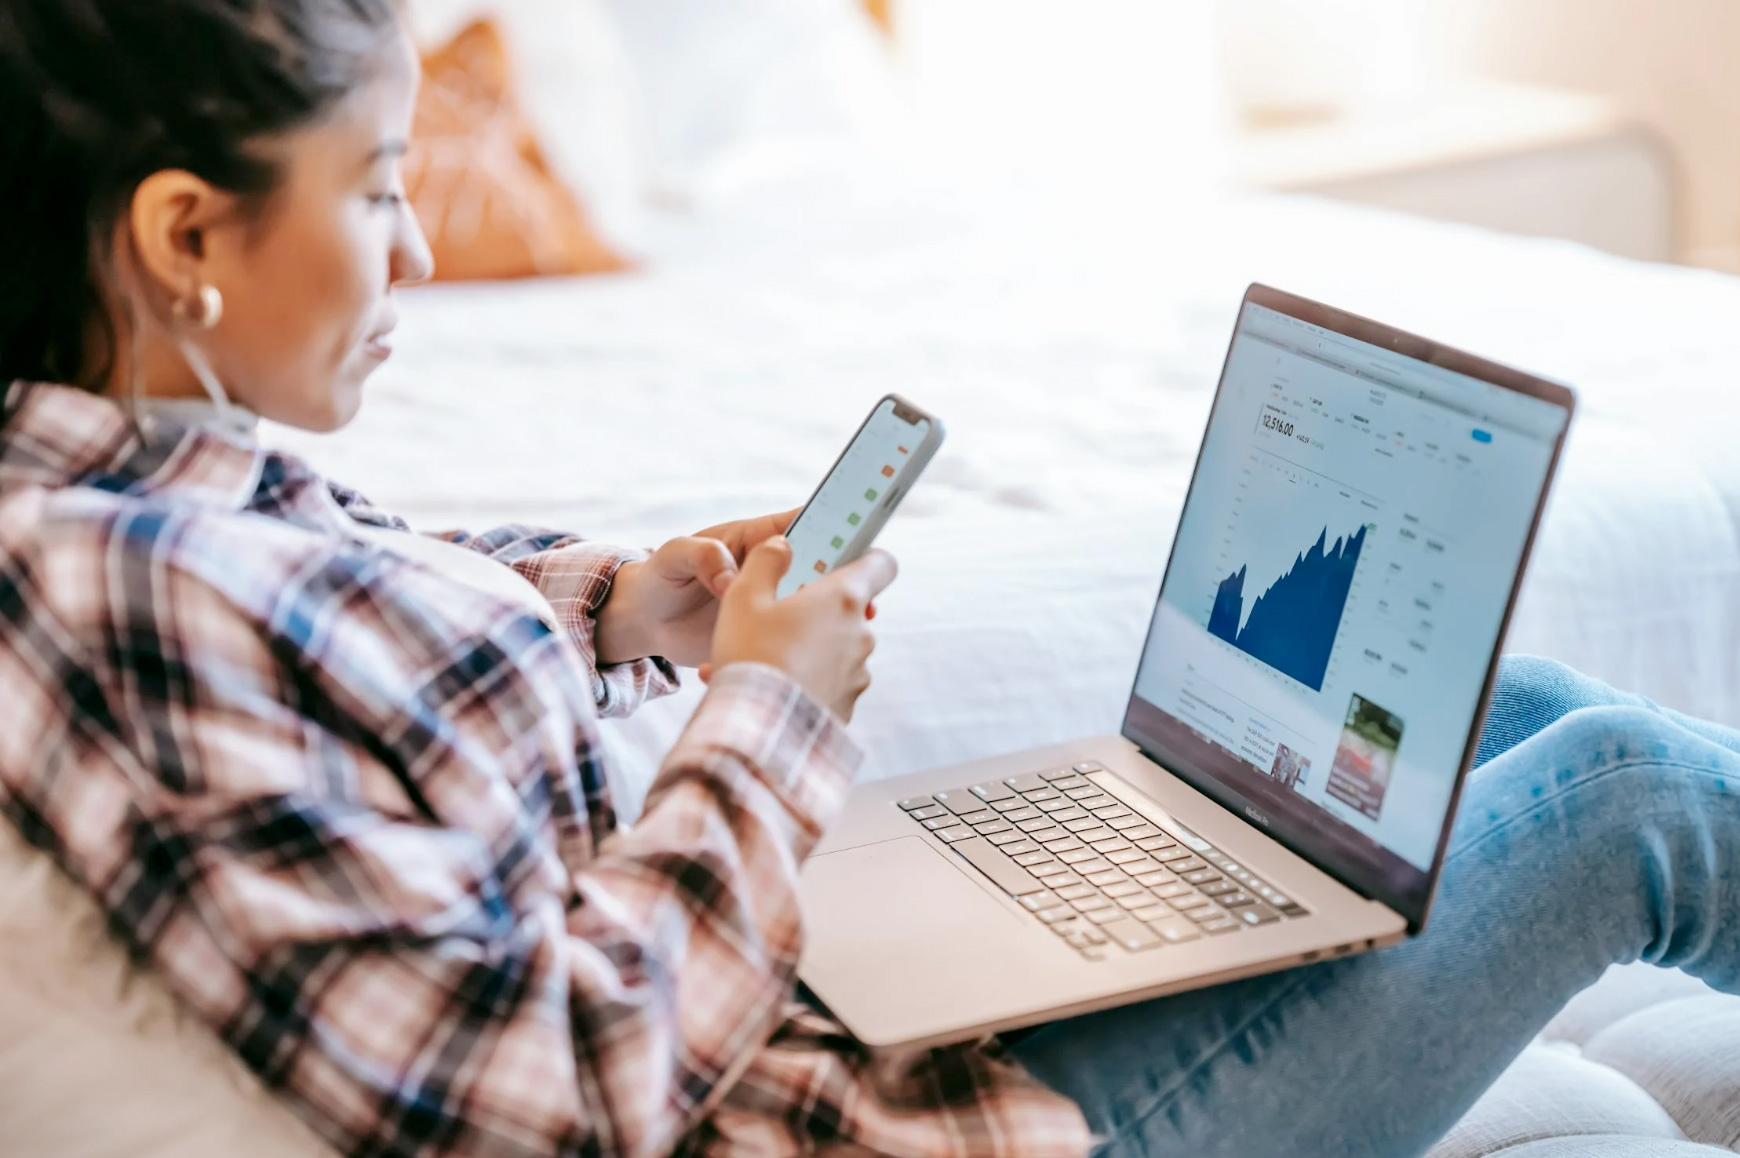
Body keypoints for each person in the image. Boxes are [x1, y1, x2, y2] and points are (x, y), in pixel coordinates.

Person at [0, 3, 1735, 1156]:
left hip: (825, 1008)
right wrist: (765, 712)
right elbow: (559, 1089)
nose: (424, 249)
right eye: (379, 192)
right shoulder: (121, 598)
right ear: (183, 237)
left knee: (1504, 712)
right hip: (874, 1122)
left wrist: (619, 602)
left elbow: (343, 612)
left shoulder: (134, 502)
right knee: (1630, 790)